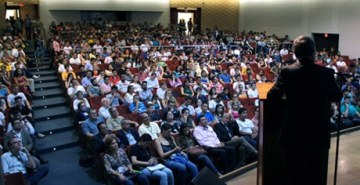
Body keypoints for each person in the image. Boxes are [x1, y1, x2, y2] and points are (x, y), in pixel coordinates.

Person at [267, 35, 341, 185]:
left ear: (295, 53)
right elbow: (337, 96)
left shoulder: (287, 72)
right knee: (315, 173)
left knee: (294, 173)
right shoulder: (326, 73)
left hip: (294, 130)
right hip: (317, 131)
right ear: (314, 52)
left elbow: (272, 96)